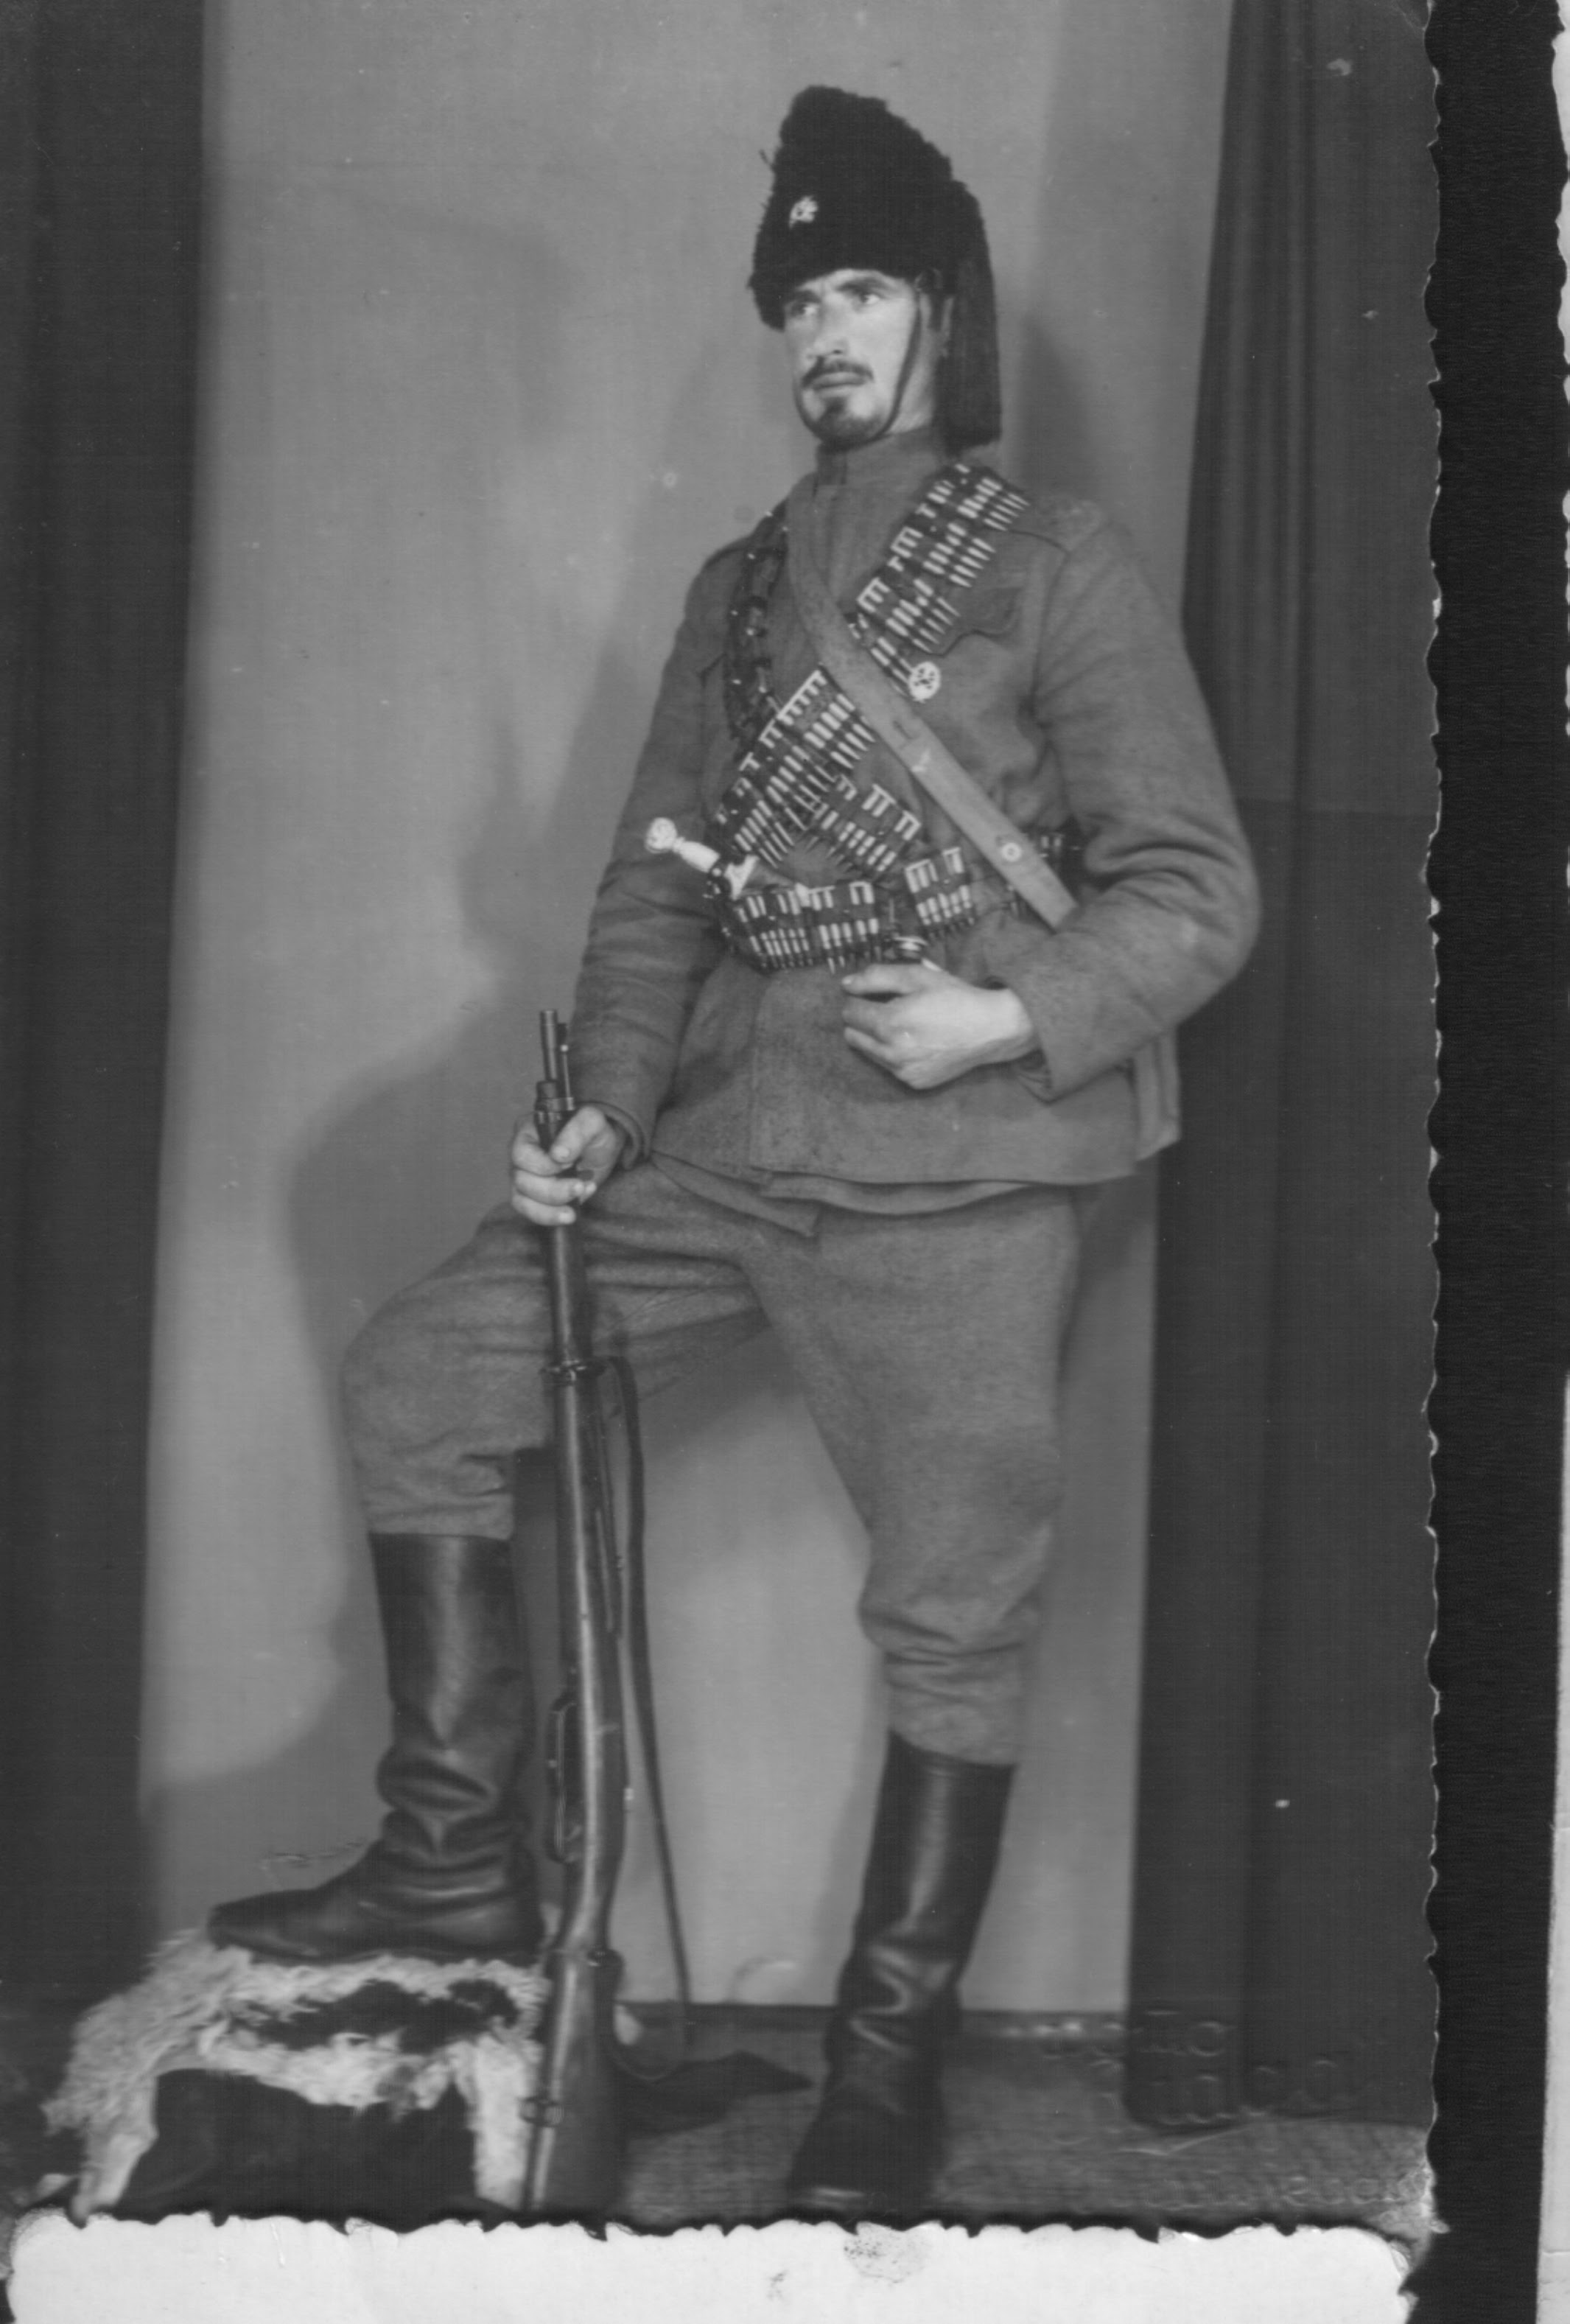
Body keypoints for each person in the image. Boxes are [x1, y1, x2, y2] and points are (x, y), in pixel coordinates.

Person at [208, 85, 1259, 2218]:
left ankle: (882, 2071)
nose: (821, 335)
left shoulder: (1046, 563)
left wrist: (1004, 1018)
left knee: (953, 1611)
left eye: (858, 289)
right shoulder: (742, 589)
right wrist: (604, 1103)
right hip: (729, 1143)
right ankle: (455, 1859)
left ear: (944, 310)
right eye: (797, 303)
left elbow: (1195, 889)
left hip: (960, 1172)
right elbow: (656, 891)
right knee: (424, 1376)